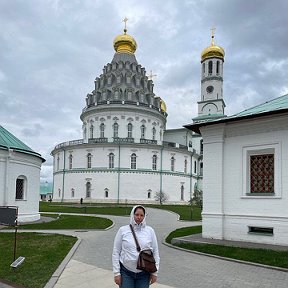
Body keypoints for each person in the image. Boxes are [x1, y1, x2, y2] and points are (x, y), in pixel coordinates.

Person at [112, 205, 160, 287]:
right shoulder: (123, 230)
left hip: (144, 273)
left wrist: (155, 273)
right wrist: (117, 273)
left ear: (144, 217)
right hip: (126, 272)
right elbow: (116, 252)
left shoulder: (150, 231)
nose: (139, 217)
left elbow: (155, 252)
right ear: (132, 215)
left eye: (141, 215)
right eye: (137, 214)